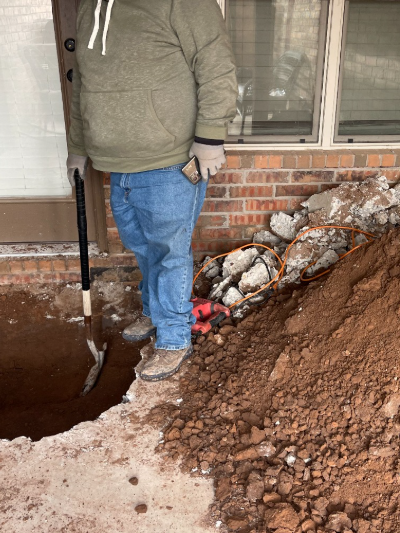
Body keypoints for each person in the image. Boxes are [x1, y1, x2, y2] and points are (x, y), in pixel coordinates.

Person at [66, 0, 237, 381]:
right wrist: (79, 148)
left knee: (169, 252)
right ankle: (155, 309)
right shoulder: (88, 7)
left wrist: (210, 136)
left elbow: (216, 65)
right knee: (143, 247)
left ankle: (174, 337)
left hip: (168, 162)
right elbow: (84, 87)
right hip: (117, 167)